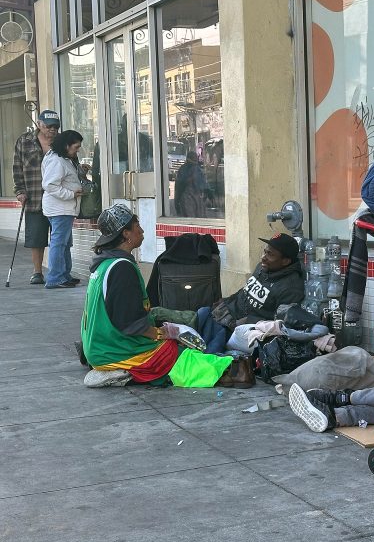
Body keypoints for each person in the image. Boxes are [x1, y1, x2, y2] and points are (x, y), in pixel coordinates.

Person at [81, 203, 254, 389]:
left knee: (172, 327)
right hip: (114, 352)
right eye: (137, 225)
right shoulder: (121, 267)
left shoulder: (105, 264)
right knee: (177, 351)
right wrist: (158, 334)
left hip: (98, 348)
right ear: (126, 234)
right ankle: (227, 370)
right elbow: (129, 323)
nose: (141, 230)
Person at [197, 233, 304, 352]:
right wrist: (227, 300)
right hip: (225, 313)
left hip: (238, 329)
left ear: (285, 261)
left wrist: (248, 321)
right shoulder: (263, 267)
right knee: (199, 316)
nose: (263, 257)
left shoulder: (291, 288)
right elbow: (246, 290)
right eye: (265, 252)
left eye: (270, 254)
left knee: (205, 347)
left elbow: (279, 325)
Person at [12, 110, 61, 284]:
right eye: (49, 126)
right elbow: (17, 168)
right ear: (39, 124)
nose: (52, 130)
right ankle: (37, 271)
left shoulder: (61, 142)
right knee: (36, 238)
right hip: (34, 196)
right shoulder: (24, 141)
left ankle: (59, 272)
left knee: (59, 237)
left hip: (58, 198)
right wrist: (19, 191)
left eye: (56, 126)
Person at [41, 130, 85, 289]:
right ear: (66, 145)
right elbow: (49, 185)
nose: (77, 150)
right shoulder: (56, 160)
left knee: (64, 243)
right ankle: (55, 278)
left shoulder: (62, 158)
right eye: (76, 147)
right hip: (60, 208)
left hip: (63, 208)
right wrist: (71, 194)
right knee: (59, 243)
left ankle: (64, 274)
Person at [174, 150, 208, 217]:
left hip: (195, 198)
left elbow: (204, 185)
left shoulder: (197, 170)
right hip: (188, 198)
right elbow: (179, 187)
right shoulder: (186, 169)